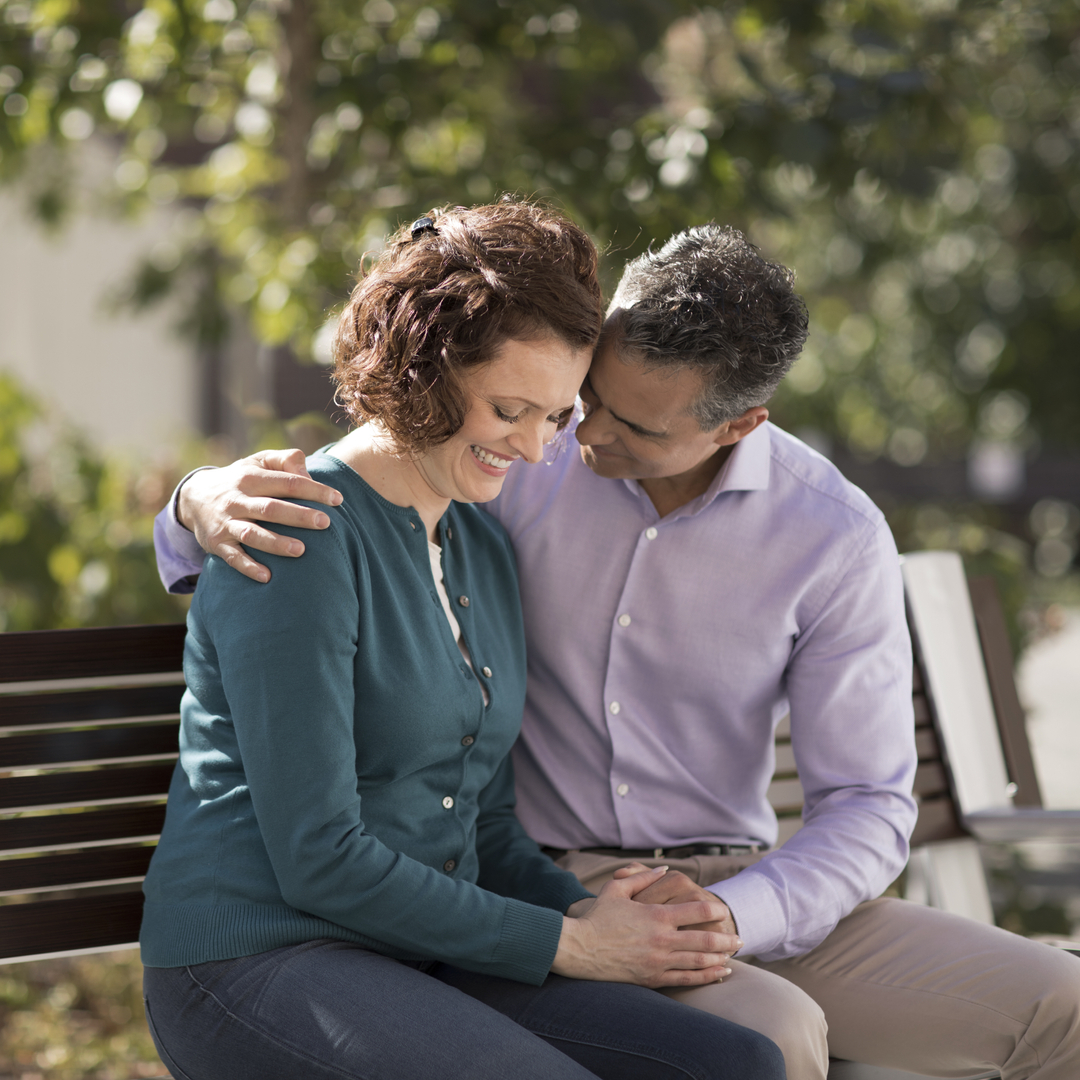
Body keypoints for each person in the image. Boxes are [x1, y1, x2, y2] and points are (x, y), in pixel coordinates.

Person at [156, 223, 1080, 1080]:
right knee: (766, 1037)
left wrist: (706, 914)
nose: (568, 439)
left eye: (603, 421)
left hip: (688, 885)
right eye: (574, 404)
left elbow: (866, 805)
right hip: (308, 930)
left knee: (796, 1054)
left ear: (736, 424)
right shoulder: (478, 482)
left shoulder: (810, 532)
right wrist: (192, 501)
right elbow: (356, 482)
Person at [138, 202, 788, 1080]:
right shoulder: (299, 535)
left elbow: (481, 817)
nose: (532, 448)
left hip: (420, 951)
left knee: (737, 1064)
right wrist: (571, 944)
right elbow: (320, 860)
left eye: (556, 416)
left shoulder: (478, 540)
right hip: (260, 957)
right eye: (509, 409)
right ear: (421, 371)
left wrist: (604, 916)